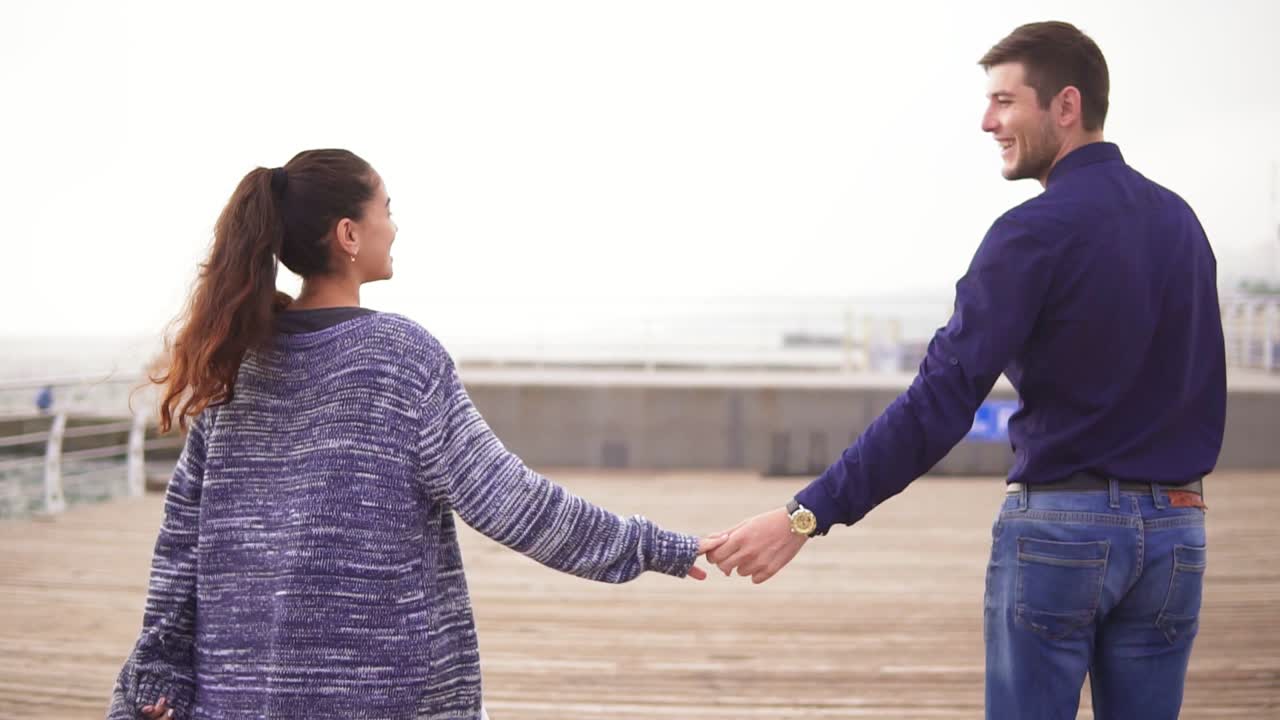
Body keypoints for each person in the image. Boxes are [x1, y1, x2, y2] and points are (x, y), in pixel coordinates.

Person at [707, 21, 1224, 720]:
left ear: (1065, 106)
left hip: (1062, 536)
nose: (987, 122)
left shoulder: (1031, 234)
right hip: (1179, 532)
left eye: (1005, 102)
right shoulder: (1182, 224)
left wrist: (806, 514)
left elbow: (939, 402)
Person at [108, 149, 722, 720]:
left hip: (236, 698)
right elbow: (513, 501)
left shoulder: (240, 361)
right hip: (379, 697)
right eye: (387, 210)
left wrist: (159, 667)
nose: (395, 227)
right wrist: (653, 545)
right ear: (349, 234)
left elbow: (180, 544)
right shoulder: (399, 358)